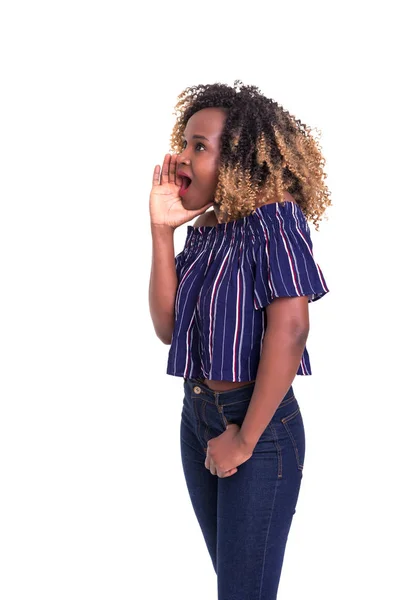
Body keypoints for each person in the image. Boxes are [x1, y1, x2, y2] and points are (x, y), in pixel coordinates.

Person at [148, 81, 331, 600]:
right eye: (184, 143)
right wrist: (163, 233)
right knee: (239, 588)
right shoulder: (208, 229)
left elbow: (291, 329)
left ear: (240, 159)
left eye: (199, 146)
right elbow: (168, 327)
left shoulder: (275, 219)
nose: (181, 157)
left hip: (260, 428)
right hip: (198, 416)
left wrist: (244, 440)